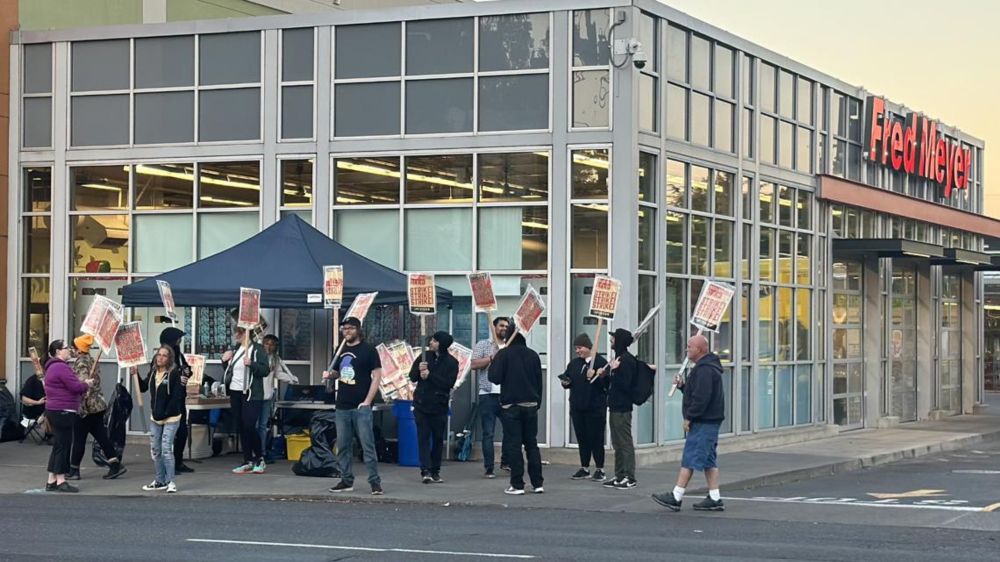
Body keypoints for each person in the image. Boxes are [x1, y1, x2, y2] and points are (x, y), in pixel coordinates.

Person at [652, 335, 726, 512]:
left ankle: (676, 496)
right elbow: (697, 393)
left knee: (690, 458)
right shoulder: (706, 368)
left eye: (689, 346)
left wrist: (689, 417)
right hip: (709, 420)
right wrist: (683, 387)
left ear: (700, 349)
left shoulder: (705, 370)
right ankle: (715, 497)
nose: (687, 350)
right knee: (708, 461)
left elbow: (701, 399)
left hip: (704, 421)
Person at [324, 317, 384, 495]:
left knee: (367, 445)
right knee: (343, 445)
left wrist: (367, 401)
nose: (347, 331)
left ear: (358, 329)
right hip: (342, 404)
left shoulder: (369, 350)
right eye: (344, 329)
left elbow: (377, 377)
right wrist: (330, 375)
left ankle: (375, 481)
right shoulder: (340, 349)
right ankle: (346, 479)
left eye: (350, 328)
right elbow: (339, 373)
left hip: (360, 406)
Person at [488, 321, 544, 495]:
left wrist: (495, 359)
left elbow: (494, 378)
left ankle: (517, 484)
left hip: (511, 405)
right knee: (531, 445)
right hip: (531, 405)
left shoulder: (504, 354)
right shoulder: (533, 355)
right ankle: (537, 483)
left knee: (514, 445)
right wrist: (537, 404)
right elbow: (539, 383)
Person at [68, 335, 127, 481]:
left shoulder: (81, 363)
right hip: (97, 405)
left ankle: (74, 470)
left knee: (79, 439)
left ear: (78, 349)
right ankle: (115, 464)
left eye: (73, 348)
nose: (71, 350)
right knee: (101, 437)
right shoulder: (90, 360)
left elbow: (82, 384)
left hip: (86, 407)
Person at [132, 345, 185, 493]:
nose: (160, 357)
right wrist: (135, 374)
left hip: (171, 417)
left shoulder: (174, 373)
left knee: (166, 449)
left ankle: (171, 481)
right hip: (156, 417)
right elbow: (143, 387)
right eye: (158, 354)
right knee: (156, 450)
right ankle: (160, 480)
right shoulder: (154, 372)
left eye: (164, 355)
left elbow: (177, 396)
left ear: (170, 359)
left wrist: (166, 412)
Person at [42, 340, 93, 492]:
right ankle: (61, 480)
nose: (69, 350)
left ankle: (51, 479)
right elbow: (75, 386)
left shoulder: (52, 367)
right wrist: (86, 384)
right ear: (58, 351)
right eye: (66, 348)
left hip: (55, 409)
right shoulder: (60, 367)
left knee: (58, 445)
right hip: (63, 410)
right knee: (64, 445)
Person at [409, 331, 458, 484]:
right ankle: (425, 470)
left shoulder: (451, 362)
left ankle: (435, 470)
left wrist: (430, 375)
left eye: (434, 340)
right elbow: (412, 376)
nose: (431, 342)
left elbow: (447, 384)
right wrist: (419, 370)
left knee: (437, 438)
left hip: (439, 406)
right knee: (423, 437)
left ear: (441, 344)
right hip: (421, 404)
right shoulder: (425, 357)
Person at [221, 325, 271, 475]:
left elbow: (265, 370)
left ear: (247, 333)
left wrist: (252, 364)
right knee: (241, 426)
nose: (236, 335)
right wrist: (224, 361)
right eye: (236, 332)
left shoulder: (257, 349)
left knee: (249, 424)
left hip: (251, 393)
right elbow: (230, 371)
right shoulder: (236, 349)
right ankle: (247, 459)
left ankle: (260, 457)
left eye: (239, 332)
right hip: (236, 392)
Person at [560, 334, 610, 483]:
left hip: (595, 408)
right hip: (577, 406)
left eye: (580, 347)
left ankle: (600, 468)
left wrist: (596, 376)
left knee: (596, 438)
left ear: (588, 347)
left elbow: (607, 385)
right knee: (582, 438)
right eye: (576, 348)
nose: (578, 351)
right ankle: (584, 467)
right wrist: (565, 383)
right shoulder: (574, 364)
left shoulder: (601, 362)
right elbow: (569, 379)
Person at [470, 317, 510, 478]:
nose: (504, 328)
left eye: (507, 326)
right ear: (494, 327)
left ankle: (506, 462)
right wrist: (491, 358)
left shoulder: (510, 345)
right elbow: (473, 365)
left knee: (511, 430)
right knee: (488, 433)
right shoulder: (483, 345)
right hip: (487, 394)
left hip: (507, 394)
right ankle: (489, 467)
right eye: (501, 325)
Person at [604, 328, 638, 490]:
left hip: (623, 408)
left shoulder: (627, 360)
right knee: (617, 443)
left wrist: (614, 371)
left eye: (613, 339)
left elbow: (625, 385)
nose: (611, 341)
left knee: (625, 442)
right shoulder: (618, 358)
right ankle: (619, 475)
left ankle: (630, 477)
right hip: (615, 405)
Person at [159, 327, 195, 474]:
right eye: (178, 338)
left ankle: (178, 461)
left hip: (180, 398)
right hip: (167, 401)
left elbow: (186, 368)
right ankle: (166, 464)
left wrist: (187, 371)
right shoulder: (163, 356)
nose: (180, 341)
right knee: (167, 434)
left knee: (182, 431)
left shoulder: (179, 355)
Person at [260, 334, 299, 462]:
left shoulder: (275, 359)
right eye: (267, 343)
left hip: (267, 395)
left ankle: (262, 452)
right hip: (254, 395)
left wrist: (291, 378)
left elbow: (278, 373)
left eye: (272, 344)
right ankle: (255, 452)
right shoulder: (257, 356)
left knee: (263, 425)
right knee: (254, 425)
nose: (269, 346)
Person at [19, 366, 48, 439]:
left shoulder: (50, 380)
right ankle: (51, 434)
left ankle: (52, 434)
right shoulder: (32, 380)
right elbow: (24, 398)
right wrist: (37, 402)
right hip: (34, 409)